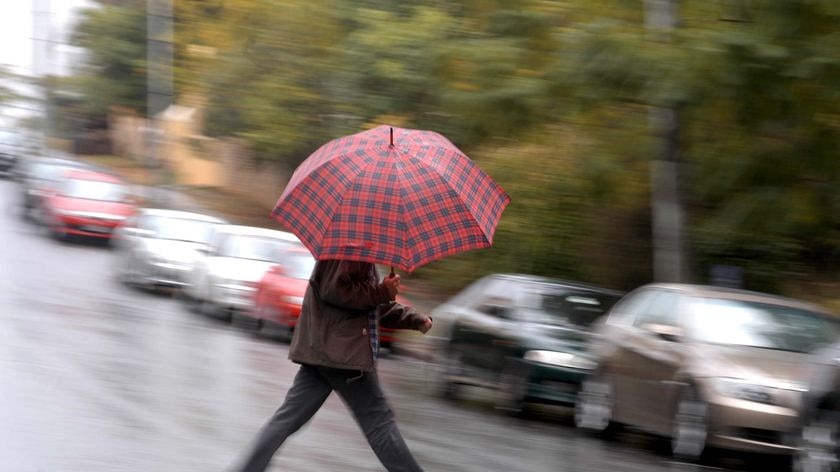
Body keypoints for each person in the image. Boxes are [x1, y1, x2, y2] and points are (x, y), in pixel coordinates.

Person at [235, 259, 433, 472]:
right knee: (380, 424)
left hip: (329, 353)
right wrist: (382, 291)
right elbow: (336, 291)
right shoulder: (348, 249)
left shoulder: (359, 253)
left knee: (287, 419)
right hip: (343, 355)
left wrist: (413, 318)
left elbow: (368, 306)